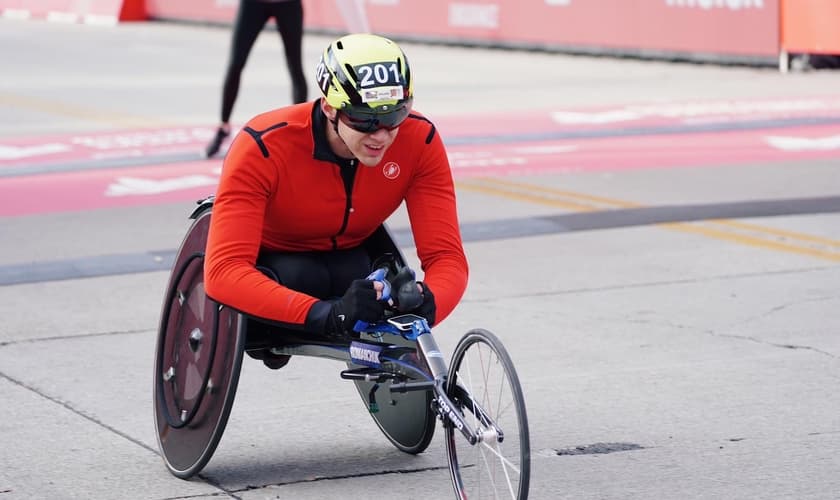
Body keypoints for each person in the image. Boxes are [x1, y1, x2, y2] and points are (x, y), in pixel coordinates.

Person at [204, 33, 469, 369]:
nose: (380, 135)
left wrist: (430, 304)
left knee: (379, 283)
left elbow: (447, 257)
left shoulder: (421, 140)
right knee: (303, 275)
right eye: (364, 119)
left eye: (393, 117)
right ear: (329, 106)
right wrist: (328, 315)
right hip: (278, 266)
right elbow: (223, 272)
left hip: (355, 259)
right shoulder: (263, 145)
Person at [205, 0, 309, 158]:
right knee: (236, 64)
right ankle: (223, 127)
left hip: (287, 4)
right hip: (254, 4)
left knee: (295, 66)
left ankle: (302, 131)